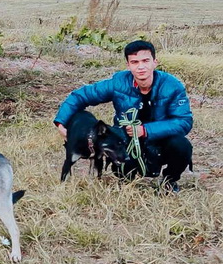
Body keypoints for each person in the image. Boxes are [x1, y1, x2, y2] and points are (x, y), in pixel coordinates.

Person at [53, 40, 193, 193]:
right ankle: (127, 180)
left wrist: (146, 130)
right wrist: (61, 122)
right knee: (123, 168)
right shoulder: (118, 82)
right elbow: (80, 96)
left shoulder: (172, 86)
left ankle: (169, 181)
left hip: (160, 138)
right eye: (134, 62)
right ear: (128, 65)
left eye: (146, 61)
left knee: (182, 146)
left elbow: (184, 121)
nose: (141, 67)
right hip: (126, 139)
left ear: (155, 62)